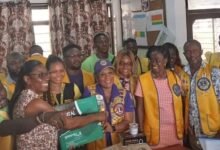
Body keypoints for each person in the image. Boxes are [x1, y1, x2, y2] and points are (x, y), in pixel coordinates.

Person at [9, 60, 106, 150]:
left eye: (46, 74)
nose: (47, 78)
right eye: (41, 75)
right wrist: (97, 116)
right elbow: (67, 123)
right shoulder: (35, 103)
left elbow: (56, 115)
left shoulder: (23, 98)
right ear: (27, 79)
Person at [135, 46, 184, 149]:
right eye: (151, 60)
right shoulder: (143, 80)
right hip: (154, 132)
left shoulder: (174, 77)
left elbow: (181, 103)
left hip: (175, 131)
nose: (153, 63)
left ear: (165, 61)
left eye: (157, 60)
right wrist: (140, 129)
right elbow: (139, 107)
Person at [83, 60, 134, 150]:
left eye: (110, 73)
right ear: (96, 77)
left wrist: (113, 128)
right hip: (96, 144)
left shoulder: (124, 94)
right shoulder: (89, 92)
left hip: (118, 144)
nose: (107, 77)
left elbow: (128, 121)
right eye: (102, 74)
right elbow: (85, 120)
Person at [181, 40, 220, 150]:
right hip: (192, 133)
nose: (192, 54)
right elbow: (182, 104)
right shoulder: (182, 74)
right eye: (188, 52)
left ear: (201, 52)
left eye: (195, 51)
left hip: (213, 133)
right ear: (184, 54)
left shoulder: (214, 73)